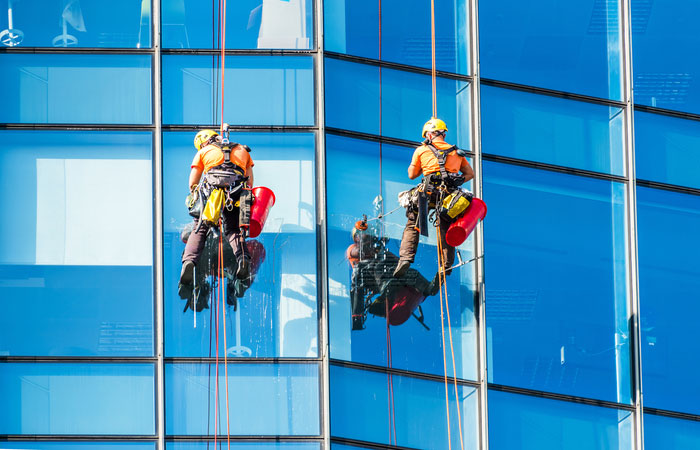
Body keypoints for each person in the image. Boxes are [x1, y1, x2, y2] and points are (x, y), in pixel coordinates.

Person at [393, 118, 474, 278]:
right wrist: (456, 179)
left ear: (430, 134)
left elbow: (411, 175)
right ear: (443, 134)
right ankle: (446, 265)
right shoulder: (456, 152)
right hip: (448, 194)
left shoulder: (421, 150)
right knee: (445, 227)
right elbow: (470, 174)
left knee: (413, 223)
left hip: (427, 191)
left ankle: (405, 259)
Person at [179, 129, 254, 295]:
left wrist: (194, 195)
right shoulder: (242, 150)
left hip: (212, 191)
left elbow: (194, 181)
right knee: (234, 229)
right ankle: (242, 259)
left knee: (200, 227)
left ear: (202, 142)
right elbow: (249, 180)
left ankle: (189, 261)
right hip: (237, 191)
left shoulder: (204, 152)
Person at [347, 220, 438, 330]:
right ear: (357, 238)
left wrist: (400, 267)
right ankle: (387, 285)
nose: (367, 237)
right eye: (362, 235)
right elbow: (358, 252)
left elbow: (397, 262)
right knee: (377, 264)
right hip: (371, 279)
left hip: (388, 278)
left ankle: (428, 288)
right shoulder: (353, 249)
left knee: (410, 272)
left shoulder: (380, 251)